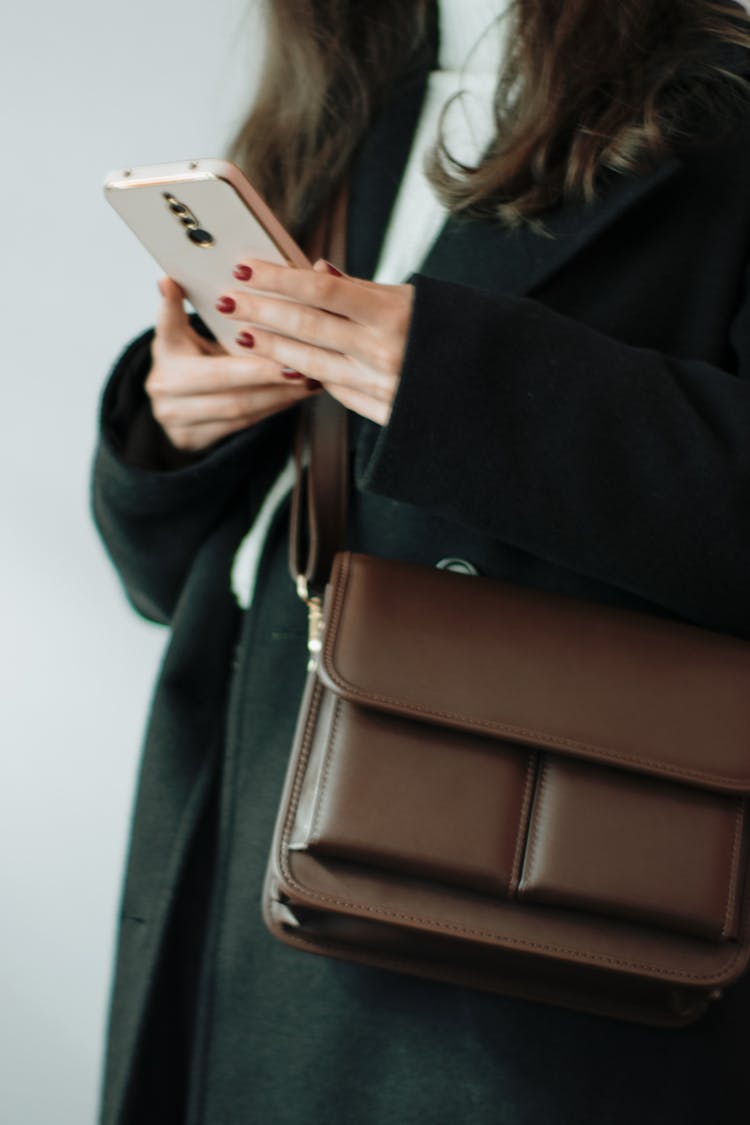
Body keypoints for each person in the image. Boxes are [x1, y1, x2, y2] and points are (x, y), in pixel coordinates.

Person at [93, 1, 750, 1122]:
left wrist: (453, 378)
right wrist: (170, 431)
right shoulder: (351, 103)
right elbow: (171, 588)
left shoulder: (723, 106)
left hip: (521, 937)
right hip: (236, 870)